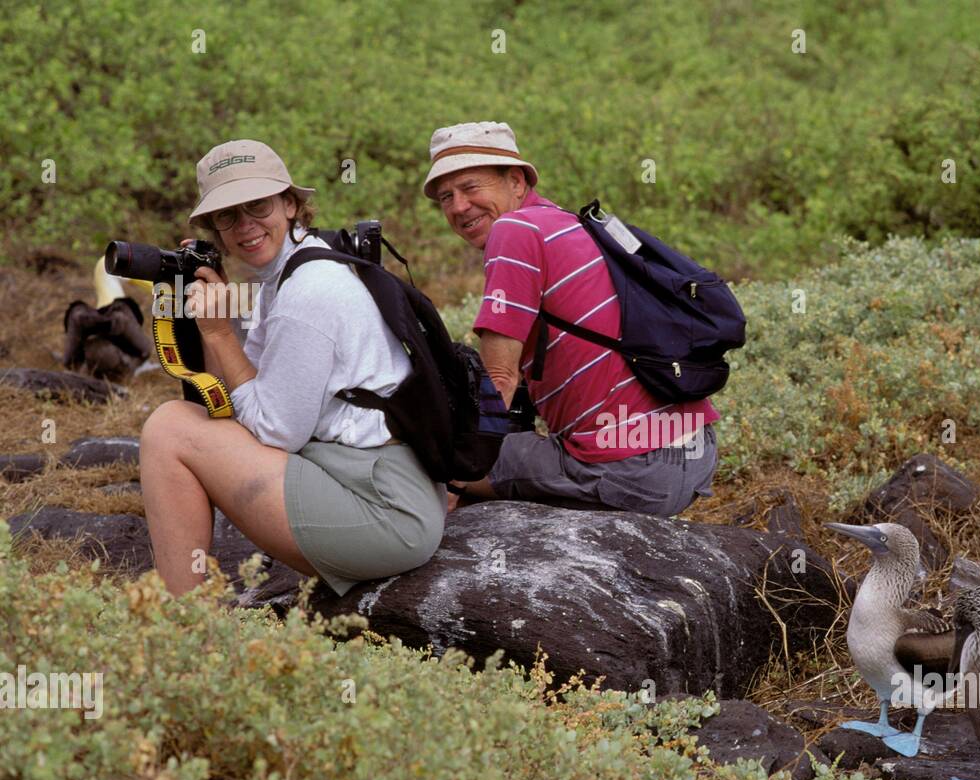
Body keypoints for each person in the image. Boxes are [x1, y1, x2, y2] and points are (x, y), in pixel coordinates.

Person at [139, 139, 444, 596]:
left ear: (289, 204)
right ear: (214, 231)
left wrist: (221, 334)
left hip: (386, 510)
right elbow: (238, 401)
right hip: (375, 481)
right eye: (228, 216)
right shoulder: (293, 273)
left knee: (169, 430)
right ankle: (187, 621)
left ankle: (184, 631)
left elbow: (275, 430)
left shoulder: (308, 292)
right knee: (183, 422)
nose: (245, 226)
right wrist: (205, 322)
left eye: (258, 205)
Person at [423, 121, 720, 516]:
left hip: (633, 469)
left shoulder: (512, 231)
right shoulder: (565, 222)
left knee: (433, 458)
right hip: (695, 451)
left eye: (471, 187)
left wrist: (454, 483)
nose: (459, 206)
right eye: (446, 196)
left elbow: (501, 379)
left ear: (515, 181)